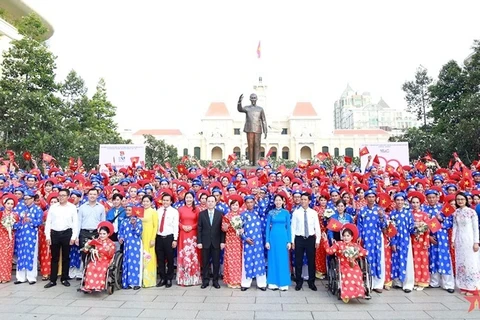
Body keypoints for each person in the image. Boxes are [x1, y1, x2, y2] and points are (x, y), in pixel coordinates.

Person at [322, 224, 369, 303]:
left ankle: (358, 292)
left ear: (351, 237)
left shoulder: (355, 245)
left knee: (357, 272)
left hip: (353, 264)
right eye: (344, 236)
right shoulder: (338, 244)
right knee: (348, 273)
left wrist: (356, 255)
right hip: (342, 265)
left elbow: (365, 252)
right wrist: (325, 241)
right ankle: (347, 294)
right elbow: (329, 251)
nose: (346, 237)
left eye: (348, 236)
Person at [44, 188, 79, 288]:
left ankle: (64, 278)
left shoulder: (72, 207)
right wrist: (47, 235)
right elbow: (48, 222)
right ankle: (53, 280)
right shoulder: (53, 207)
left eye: (64, 195)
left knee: (66, 257)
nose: (61, 197)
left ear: (68, 197)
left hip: (67, 233)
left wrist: (73, 236)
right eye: (60, 195)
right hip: (54, 233)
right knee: (54, 257)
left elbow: (75, 223)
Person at [357, 189, 388, 293]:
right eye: (369, 197)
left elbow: (384, 227)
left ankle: (378, 283)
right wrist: (359, 236)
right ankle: (368, 283)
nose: (371, 199)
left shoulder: (379, 210)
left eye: (373, 197)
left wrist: (381, 216)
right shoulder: (362, 210)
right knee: (367, 260)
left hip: (377, 239)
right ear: (365, 198)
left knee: (378, 259)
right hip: (366, 239)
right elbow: (359, 226)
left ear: (375, 198)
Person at [291, 192, 321, 291]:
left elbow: (317, 227)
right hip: (299, 238)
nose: (303, 201)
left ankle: (311, 282)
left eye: (305, 199)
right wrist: (292, 241)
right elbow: (293, 227)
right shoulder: (296, 212)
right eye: (302, 199)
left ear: (309, 201)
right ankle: (298, 281)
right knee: (298, 261)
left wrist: (318, 240)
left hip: (310, 238)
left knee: (311, 261)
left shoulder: (313, 213)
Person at [452, 192, 480, 295]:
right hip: (460, 240)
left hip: (470, 240)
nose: (460, 201)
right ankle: (463, 285)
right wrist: (453, 240)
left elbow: (475, 228)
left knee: (471, 263)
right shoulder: (456, 213)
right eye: (458, 199)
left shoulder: (472, 212)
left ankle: (473, 287)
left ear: (466, 200)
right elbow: (455, 227)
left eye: (462, 199)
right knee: (461, 263)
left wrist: (476, 242)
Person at [13, 190, 43, 285]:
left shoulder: (38, 210)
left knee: (32, 255)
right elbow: (17, 222)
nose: (25, 201)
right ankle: (21, 277)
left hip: (32, 235)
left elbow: (39, 223)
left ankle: (31, 277)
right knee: (21, 255)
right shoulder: (22, 209)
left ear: (33, 199)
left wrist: (31, 220)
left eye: (27, 199)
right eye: (24, 199)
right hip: (21, 235)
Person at [240, 195, 267, 291]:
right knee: (247, 261)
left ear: (254, 203)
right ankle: (245, 283)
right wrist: (245, 238)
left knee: (259, 261)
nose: (250, 204)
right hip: (247, 242)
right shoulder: (242, 215)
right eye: (248, 202)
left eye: (251, 202)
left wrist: (259, 198)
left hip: (259, 242)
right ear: (245, 204)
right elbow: (239, 229)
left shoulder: (258, 213)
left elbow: (263, 207)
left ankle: (262, 283)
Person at [197, 195, 225, 289]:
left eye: (212, 201)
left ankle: (215, 281)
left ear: (215, 202)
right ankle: (205, 281)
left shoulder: (220, 214)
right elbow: (199, 229)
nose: (210, 203)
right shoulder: (201, 214)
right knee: (205, 262)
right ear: (206, 202)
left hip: (216, 242)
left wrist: (222, 242)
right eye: (208, 201)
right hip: (205, 242)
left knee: (216, 263)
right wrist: (199, 241)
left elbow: (222, 229)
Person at [80, 222, 116, 293]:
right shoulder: (95, 241)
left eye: (104, 234)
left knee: (101, 268)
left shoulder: (111, 243)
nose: (102, 235)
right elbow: (85, 250)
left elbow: (111, 255)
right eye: (100, 234)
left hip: (105, 260)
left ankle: (99, 286)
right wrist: (87, 247)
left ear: (108, 234)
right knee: (90, 266)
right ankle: (88, 286)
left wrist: (109, 250)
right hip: (96, 259)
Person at [265, 194, 291, 291]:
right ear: (274, 202)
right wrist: (267, 241)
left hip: (283, 238)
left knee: (283, 259)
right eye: (276, 200)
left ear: (283, 201)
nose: (278, 202)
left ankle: (283, 282)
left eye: (280, 200)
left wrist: (289, 241)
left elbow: (288, 227)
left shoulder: (286, 213)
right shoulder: (270, 213)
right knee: (273, 259)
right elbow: (267, 228)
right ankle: (272, 282)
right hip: (273, 238)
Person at [390, 193, 415, 293]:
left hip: (405, 240)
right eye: (398, 200)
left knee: (407, 261)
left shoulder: (408, 213)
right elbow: (390, 230)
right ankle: (397, 282)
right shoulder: (392, 214)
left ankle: (408, 284)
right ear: (395, 201)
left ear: (404, 201)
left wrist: (418, 230)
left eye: (401, 200)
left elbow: (411, 227)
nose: (399, 202)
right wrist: (393, 242)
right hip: (396, 240)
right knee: (396, 260)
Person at [77, 188, 106, 271]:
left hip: (96, 233)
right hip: (84, 233)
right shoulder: (82, 207)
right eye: (91, 194)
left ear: (97, 196)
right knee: (84, 253)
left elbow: (103, 222)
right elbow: (79, 222)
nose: (92, 196)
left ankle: (94, 273)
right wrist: (76, 236)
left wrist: (102, 235)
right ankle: (85, 273)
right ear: (87, 195)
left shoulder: (101, 207)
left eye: (94, 194)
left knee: (96, 253)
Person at [176, 191, 201, 286]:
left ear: (193, 199)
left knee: (193, 255)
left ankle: (194, 278)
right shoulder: (180, 209)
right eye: (187, 197)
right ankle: (183, 278)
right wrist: (182, 226)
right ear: (184, 199)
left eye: (190, 197)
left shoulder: (197, 209)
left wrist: (192, 226)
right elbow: (176, 221)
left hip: (193, 234)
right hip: (183, 234)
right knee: (183, 254)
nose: (189, 199)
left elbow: (199, 222)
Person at [155, 193, 179, 288]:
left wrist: (175, 239)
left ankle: (169, 278)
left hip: (169, 238)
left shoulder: (174, 212)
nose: (165, 202)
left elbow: (175, 226)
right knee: (160, 259)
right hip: (159, 237)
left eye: (167, 200)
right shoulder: (158, 211)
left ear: (171, 201)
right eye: (164, 200)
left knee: (169, 259)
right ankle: (162, 278)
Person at [237, 93, 268, 166]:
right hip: (249, 129)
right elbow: (240, 109)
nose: (253, 99)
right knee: (250, 145)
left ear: (256, 99)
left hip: (258, 129)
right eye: (252, 98)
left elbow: (263, 120)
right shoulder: (247, 108)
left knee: (257, 145)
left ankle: (256, 161)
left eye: (254, 98)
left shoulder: (260, 109)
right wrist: (239, 102)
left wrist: (265, 130)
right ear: (250, 99)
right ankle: (251, 161)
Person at [118, 204, 143, 290]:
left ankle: (136, 283)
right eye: (127, 210)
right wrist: (120, 237)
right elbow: (120, 232)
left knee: (135, 263)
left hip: (136, 245)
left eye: (129, 210)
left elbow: (138, 232)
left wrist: (134, 224)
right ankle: (127, 282)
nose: (127, 212)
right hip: (126, 245)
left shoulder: (138, 221)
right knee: (127, 263)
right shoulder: (124, 221)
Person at [221, 197, 243, 288]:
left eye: (236, 205)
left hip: (240, 240)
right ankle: (231, 280)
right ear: (230, 206)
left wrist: (242, 229)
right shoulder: (227, 216)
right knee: (230, 260)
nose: (235, 207)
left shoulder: (242, 215)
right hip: (230, 239)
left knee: (239, 260)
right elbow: (223, 229)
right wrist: (225, 227)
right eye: (233, 205)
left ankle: (239, 280)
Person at [410, 195, 430, 290]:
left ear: (420, 203)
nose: (415, 204)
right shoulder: (409, 214)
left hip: (421, 241)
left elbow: (428, 229)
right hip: (412, 240)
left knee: (422, 261)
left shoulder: (424, 215)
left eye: (417, 202)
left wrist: (426, 241)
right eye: (413, 202)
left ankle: (422, 281)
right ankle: (414, 280)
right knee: (413, 260)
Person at [140, 195, 158, 288]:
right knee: (141, 257)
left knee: (149, 257)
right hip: (140, 237)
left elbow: (155, 226)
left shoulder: (153, 212)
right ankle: (141, 279)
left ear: (151, 202)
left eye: (147, 201)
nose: (145, 203)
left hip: (149, 236)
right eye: (144, 201)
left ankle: (149, 280)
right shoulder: (139, 211)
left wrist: (153, 238)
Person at [0, 195, 19, 283]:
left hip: (9, 238)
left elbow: (18, 225)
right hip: (1, 236)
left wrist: (13, 226)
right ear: (4, 204)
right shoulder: (1, 214)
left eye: (12, 204)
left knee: (7, 256)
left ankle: (5, 276)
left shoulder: (15, 215)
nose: (10, 205)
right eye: (8, 203)